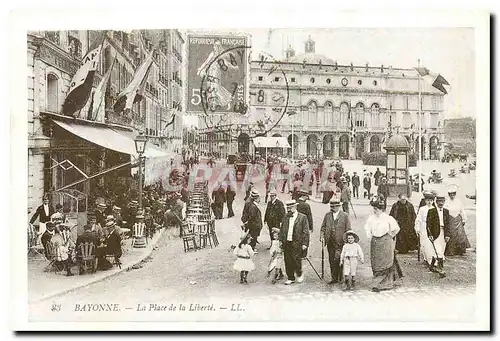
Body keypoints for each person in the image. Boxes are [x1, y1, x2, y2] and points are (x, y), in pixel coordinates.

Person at [364, 199, 401, 292]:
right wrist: (370, 235)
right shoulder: (371, 218)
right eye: (374, 209)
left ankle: (386, 283)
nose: (375, 211)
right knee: (376, 262)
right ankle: (377, 282)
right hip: (375, 243)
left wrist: (390, 235)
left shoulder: (388, 218)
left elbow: (396, 228)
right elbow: (367, 228)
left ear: (381, 209)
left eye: (376, 209)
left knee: (386, 261)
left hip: (385, 242)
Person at [320, 199, 351, 285]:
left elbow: (348, 229)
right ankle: (334, 277)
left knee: (339, 259)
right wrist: (322, 237)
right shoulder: (327, 215)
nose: (333, 208)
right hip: (330, 241)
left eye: (335, 206)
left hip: (341, 241)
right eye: (332, 207)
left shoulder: (345, 216)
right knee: (331, 259)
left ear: (339, 206)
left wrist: (348, 241)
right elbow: (323, 228)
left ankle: (340, 277)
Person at [279, 200, 310, 285]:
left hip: (297, 242)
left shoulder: (302, 217)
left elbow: (306, 231)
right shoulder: (285, 216)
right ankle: (290, 277)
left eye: (290, 207)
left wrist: (305, 243)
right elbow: (282, 229)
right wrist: (281, 240)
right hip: (287, 241)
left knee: (296, 260)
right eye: (288, 208)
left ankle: (299, 274)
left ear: (295, 207)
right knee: (287, 260)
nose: (289, 209)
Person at [414, 191, 444, 276]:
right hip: (424, 227)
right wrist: (417, 228)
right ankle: (427, 259)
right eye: (427, 200)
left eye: (431, 200)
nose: (429, 202)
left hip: (431, 228)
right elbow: (418, 219)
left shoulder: (434, 209)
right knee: (424, 244)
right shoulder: (422, 209)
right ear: (425, 200)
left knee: (431, 244)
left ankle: (432, 261)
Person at [424, 194, 451, 277]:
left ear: (444, 202)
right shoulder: (431, 211)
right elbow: (428, 225)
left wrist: (447, 235)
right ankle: (440, 268)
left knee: (441, 250)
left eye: (442, 201)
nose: (441, 203)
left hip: (443, 233)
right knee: (437, 250)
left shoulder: (446, 211)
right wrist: (430, 235)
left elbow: (448, 224)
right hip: (435, 233)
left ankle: (432, 266)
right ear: (436, 202)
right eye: (439, 201)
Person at [444, 185, 471, 256]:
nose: (452, 195)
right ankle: (451, 251)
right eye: (450, 194)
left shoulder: (459, 201)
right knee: (451, 235)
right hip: (450, 220)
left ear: (455, 194)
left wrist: (464, 219)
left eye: (453, 194)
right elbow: (444, 211)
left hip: (458, 220)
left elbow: (462, 210)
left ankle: (459, 251)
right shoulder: (446, 202)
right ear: (448, 195)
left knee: (459, 235)